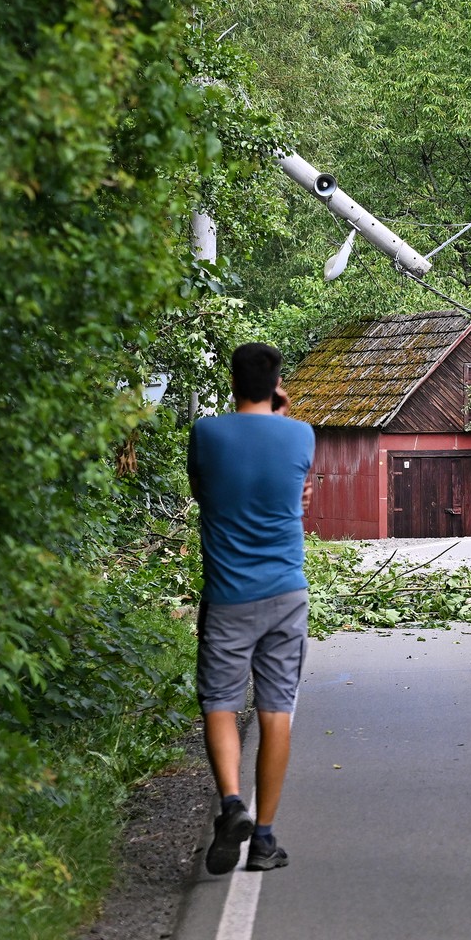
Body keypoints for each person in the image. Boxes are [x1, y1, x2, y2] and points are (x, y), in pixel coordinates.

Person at [188, 343, 315, 876]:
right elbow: (288, 469)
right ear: (277, 383)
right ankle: (263, 840)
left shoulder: (207, 433)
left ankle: (232, 803)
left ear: (231, 380)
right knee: (275, 709)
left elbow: (203, 492)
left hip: (228, 595)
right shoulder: (301, 434)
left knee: (220, 700)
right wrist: (279, 409)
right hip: (286, 593)